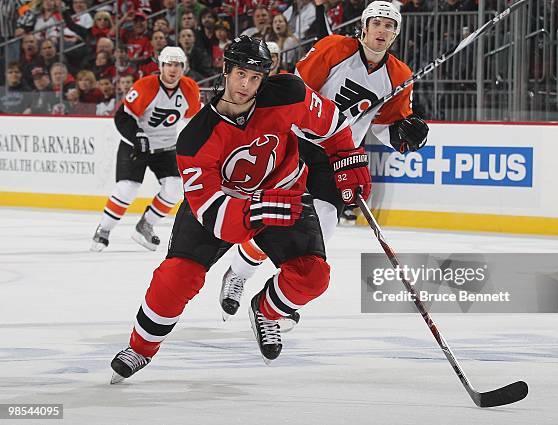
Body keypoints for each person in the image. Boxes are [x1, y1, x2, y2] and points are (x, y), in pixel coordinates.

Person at [109, 36, 371, 382]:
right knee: (176, 278)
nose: (245, 85)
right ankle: (140, 348)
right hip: (220, 205)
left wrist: (345, 160)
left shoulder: (289, 92)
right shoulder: (195, 137)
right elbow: (214, 213)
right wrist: (252, 210)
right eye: (239, 75)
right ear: (226, 71)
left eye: (255, 77)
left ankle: (267, 310)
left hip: (285, 193)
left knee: (313, 276)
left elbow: (334, 126)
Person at [218, 1, 429, 322]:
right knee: (275, 221)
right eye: (377, 24)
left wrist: (407, 134)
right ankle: (238, 272)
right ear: (365, 26)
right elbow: (297, 89)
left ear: (396, 33)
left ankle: (276, 295)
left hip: (339, 157)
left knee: (323, 229)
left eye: (389, 26)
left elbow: (387, 126)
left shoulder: (400, 74)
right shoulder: (335, 48)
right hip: (300, 143)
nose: (382, 31)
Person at [91, 46, 201, 252]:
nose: (173, 69)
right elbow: (122, 116)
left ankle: (146, 225)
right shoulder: (145, 86)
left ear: (183, 68)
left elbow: (193, 120)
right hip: (136, 145)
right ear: (161, 66)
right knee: (127, 189)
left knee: (175, 187)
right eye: (169, 64)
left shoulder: (190, 88)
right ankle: (103, 231)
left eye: (177, 65)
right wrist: (137, 136)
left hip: (166, 147)